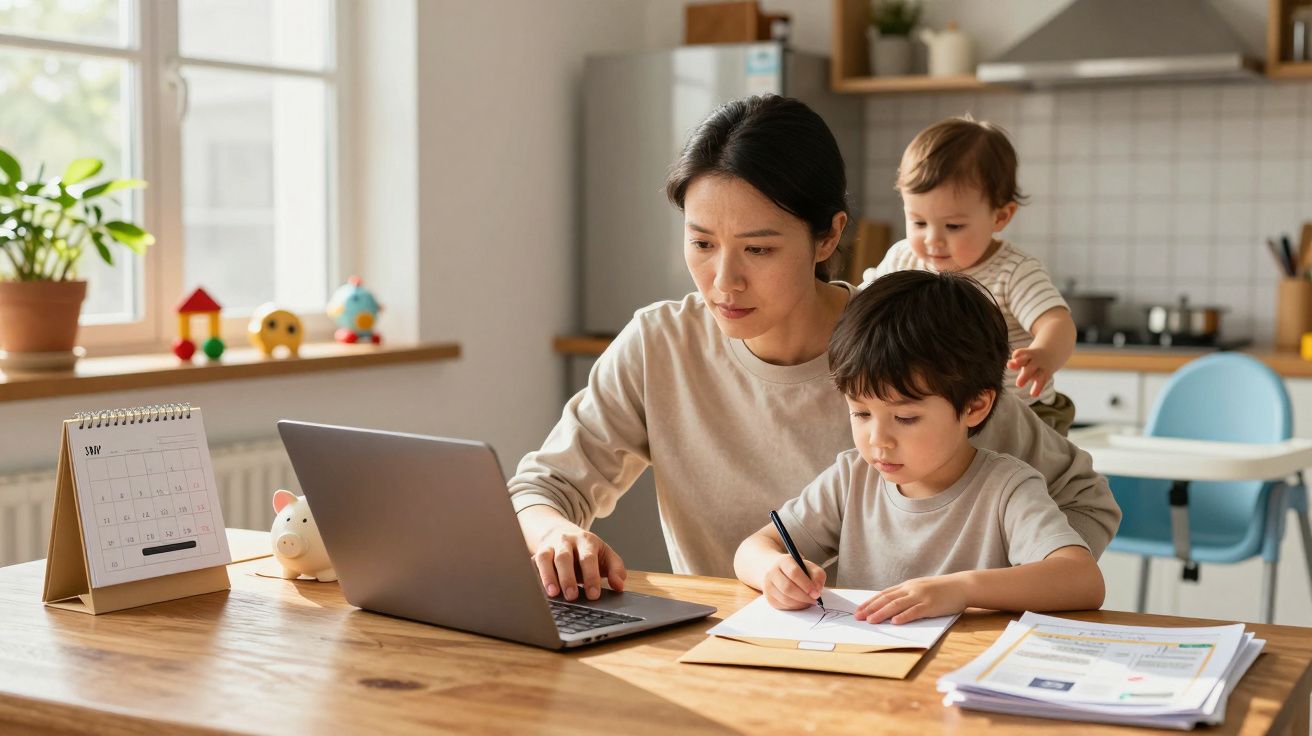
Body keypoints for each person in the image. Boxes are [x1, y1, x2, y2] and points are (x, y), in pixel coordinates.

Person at [509, 95, 1120, 602]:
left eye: (759, 249)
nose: (724, 282)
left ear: (829, 235)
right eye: (700, 243)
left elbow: (1083, 504)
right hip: (722, 654)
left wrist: (977, 601)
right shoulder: (658, 344)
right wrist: (557, 534)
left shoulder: (908, 351)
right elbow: (542, 489)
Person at [734, 270, 1105, 623]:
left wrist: (961, 589)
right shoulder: (851, 478)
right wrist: (773, 569)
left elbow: (1082, 580)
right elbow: (752, 548)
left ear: (975, 406)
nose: (877, 439)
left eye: (905, 418)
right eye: (861, 413)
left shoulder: (1008, 489)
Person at [866, 116, 1078, 435]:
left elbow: (1056, 322)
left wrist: (1044, 354)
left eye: (953, 226)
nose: (933, 240)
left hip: (1021, 416)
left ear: (1000, 216)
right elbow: (861, 308)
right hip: (946, 414)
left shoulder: (1013, 271)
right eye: (919, 222)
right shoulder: (902, 258)